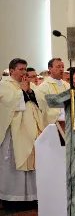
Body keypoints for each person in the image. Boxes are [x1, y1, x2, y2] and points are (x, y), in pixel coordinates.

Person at [0, 58, 44, 202]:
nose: (24, 72)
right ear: (11, 70)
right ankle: (13, 198)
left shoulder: (27, 85)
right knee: (15, 163)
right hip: (14, 133)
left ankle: (32, 197)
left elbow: (40, 101)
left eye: (25, 69)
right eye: (20, 69)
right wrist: (23, 91)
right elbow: (8, 104)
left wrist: (30, 91)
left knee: (33, 163)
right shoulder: (4, 85)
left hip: (31, 132)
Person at [36, 58, 70, 138]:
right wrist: (59, 114)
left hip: (68, 125)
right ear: (50, 69)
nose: (61, 69)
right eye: (58, 67)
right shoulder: (43, 87)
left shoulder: (67, 85)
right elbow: (42, 109)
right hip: (54, 126)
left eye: (62, 67)